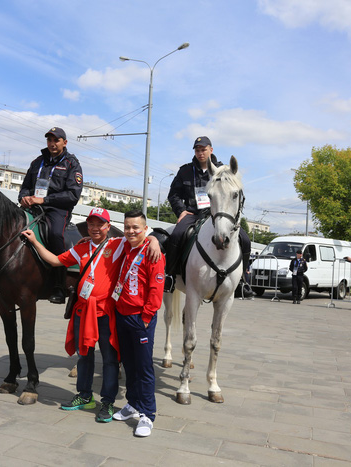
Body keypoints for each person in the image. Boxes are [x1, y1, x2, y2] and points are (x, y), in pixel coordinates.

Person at [22, 208, 161, 423]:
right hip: (83, 310)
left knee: (109, 359)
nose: (96, 228)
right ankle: (85, 396)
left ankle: (107, 401)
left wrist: (153, 240)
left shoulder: (117, 244)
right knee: (84, 354)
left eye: (100, 224)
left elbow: (137, 236)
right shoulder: (81, 247)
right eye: (92, 224)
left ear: (108, 226)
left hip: (106, 311)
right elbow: (55, 260)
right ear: (87, 226)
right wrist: (34, 242)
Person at [165, 136, 252, 290]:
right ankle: (170, 276)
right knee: (177, 235)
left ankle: (241, 279)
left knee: (245, 239)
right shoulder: (185, 171)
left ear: (211, 150)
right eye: (197, 150)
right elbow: (174, 195)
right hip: (192, 214)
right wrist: (182, 211)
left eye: (203, 149)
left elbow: (236, 194)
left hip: (217, 215)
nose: (200, 153)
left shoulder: (224, 170)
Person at [111, 210, 165, 437]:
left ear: (145, 229)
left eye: (136, 228)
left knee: (143, 368)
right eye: (127, 227)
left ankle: (147, 414)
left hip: (141, 318)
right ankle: (132, 404)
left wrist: (145, 317)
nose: (131, 231)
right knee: (129, 365)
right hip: (122, 315)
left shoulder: (154, 253)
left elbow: (156, 289)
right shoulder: (125, 246)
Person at [19, 127, 83, 304]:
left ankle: (59, 286)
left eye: (56, 140)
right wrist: (23, 197)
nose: (52, 144)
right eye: (49, 140)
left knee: (55, 233)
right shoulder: (37, 162)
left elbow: (72, 195)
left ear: (65, 142)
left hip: (57, 209)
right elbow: (25, 186)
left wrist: (44, 200)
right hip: (33, 206)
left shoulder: (72, 164)